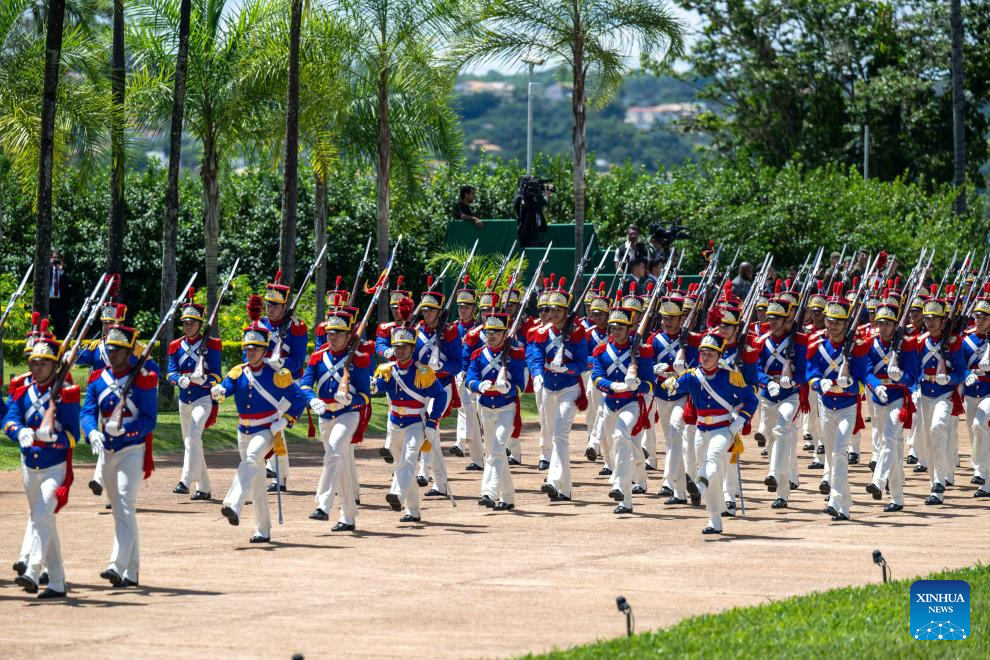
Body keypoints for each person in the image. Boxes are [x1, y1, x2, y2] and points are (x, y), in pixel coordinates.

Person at [214, 321, 308, 542]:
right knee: (256, 483)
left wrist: (284, 421)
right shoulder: (238, 372)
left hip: (266, 429)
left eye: (255, 348)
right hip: (243, 430)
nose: (250, 351)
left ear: (264, 350)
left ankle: (233, 504)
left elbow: (299, 399)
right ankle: (263, 529)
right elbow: (226, 389)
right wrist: (218, 391)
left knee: (250, 460)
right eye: (247, 348)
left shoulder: (277, 374)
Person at [3, 331, 80, 599]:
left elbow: (73, 436)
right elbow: (10, 419)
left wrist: (55, 438)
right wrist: (18, 431)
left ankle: (32, 570)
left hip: (54, 469)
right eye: (34, 362)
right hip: (29, 468)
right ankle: (57, 581)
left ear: (55, 365)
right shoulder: (23, 391)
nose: (37, 367)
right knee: (44, 519)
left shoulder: (66, 394)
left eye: (44, 363)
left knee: (40, 515)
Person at [81, 323, 158, 587]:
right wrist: (92, 432)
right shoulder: (96, 380)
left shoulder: (142, 379)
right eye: (110, 349)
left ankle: (116, 564)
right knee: (122, 513)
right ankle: (133, 571)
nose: (112, 354)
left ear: (128, 352)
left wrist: (125, 430)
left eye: (118, 350)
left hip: (133, 450)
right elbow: (87, 412)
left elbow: (149, 420)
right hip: (108, 452)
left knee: (124, 503)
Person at [661, 333, 757, 534]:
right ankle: (714, 519)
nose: (705, 357)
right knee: (710, 473)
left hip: (724, 428)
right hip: (701, 429)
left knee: (712, 460)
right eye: (703, 353)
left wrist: (741, 419)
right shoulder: (694, 375)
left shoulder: (731, 377)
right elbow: (677, 384)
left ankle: (700, 484)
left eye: (710, 354)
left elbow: (751, 400)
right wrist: (671, 382)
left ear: (719, 355)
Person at [300, 310, 372, 532]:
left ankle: (323, 504)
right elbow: (305, 384)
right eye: (330, 333)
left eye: (339, 333)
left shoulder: (359, 360)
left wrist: (350, 400)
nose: (332, 337)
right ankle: (348, 516)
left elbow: (366, 395)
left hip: (348, 415)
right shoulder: (317, 357)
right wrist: (312, 401)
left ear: (349, 335)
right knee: (338, 463)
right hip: (325, 414)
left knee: (333, 452)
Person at [805, 287, 869, 521]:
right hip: (825, 405)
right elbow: (810, 372)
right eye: (829, 322)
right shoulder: (816, 343)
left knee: (840, 452)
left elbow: (862, 381)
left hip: (847, 406)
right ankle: (845, 505)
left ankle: (834, 499)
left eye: (836, 323)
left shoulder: (857, 347)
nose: (831, 326)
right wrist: (818, 383)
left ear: (845, 324)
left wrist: (847, 385)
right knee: (832, 454)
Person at [373, 326, 448, 523]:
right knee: (401, 465)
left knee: (408, 460)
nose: (400, 350)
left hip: (416, 422)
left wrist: (433, 421)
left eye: (405, 347)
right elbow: (377, 388)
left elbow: (440, 395)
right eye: (397, 347)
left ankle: (396, 494)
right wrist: (371, 385)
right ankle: (413, 511)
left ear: (412, 348)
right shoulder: (387, 370)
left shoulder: (423, 372)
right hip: (395, 422)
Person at [526, 279, 588, 501]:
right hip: (547, 388)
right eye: (549, 309)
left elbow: (583, 362)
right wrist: (537, 375)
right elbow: (533, 354)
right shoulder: (542, 332)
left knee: (560, 435)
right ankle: (566, 489)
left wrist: (566, 368)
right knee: (555, 437)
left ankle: (552, 480)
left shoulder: (578, 332)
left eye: (556, 309)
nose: (551, 313)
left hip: (569, 389)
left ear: (565, 311)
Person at [901, 295, 965, 505]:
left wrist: (949, 377)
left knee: (938, 428)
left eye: (934, 318)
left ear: (943, 321)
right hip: (924, 393)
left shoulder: (953, 342)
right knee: (928, 440)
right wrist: (912, 388)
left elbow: (961, 371)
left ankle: (940, 480)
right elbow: (912, 370)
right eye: (927, 318)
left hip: (944, 393)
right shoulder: (919, 342)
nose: (929, 322)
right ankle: (935, 486)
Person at [590, 306, 654, 514]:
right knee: (623, 446)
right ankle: (640, 473)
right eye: (612, 328)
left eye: (619, 328)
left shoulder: (641, 351)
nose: (615, 332)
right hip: (610, 403)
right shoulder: (600, 351)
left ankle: (622, 493)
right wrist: (613, 386)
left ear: (629, 329)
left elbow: (650, 384)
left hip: (631, 404)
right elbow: (597, 377)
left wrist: (636, 384)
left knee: (621, 435)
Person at [252, 271, 309, 493]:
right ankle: (275, 471)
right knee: (268, 428)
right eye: (268, 304)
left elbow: (297, 358)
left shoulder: (297, 326)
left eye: (275, 305)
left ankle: (280, 475)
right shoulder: (260, 325)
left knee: (277, 429)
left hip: (285, 384)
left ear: (284, 307)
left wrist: (282, 365)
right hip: (263, 384)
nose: (270, 308)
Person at [751, 296, 808, 509]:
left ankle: (773, 473)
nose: (772, 321)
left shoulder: (800, 341)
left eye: (777, 318)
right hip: (768, 394)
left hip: (790, 394)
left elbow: (804, 371)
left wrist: (792, 380)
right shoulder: (762, 340)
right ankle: (781, 493)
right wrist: (767, 382)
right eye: (770, 317)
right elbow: (755, 368)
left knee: (782, 428)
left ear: (787, 319)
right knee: (774, 442)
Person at [465, 312, 526, 511]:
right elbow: (470, 378)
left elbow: (520, 385)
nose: (491, 336)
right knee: (493, 452)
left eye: (496, 332)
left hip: (506, 408)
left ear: (504, 334)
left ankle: (489, 492)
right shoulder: (478, 354)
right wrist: (478, 385)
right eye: (488, 332)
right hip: (485, 408)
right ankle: (507, 497)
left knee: (498, 449)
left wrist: (508, 388)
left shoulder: (515, 354)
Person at [165, 289, 222, 501]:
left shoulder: (212, 344)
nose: (188, 326)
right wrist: (177, 379)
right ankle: (204, 487)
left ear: (199, 324)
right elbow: (170, 371)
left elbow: (217, 375)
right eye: (185, 323)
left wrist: (204, 380)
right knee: (192, 443)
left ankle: (185, 481)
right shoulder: (174, 346)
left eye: (192, 323)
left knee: (194, 437)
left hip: (202, 398)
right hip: (184, 401)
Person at [860, 302, 916, 512]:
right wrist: (875, 386)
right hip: (879, 397)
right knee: (889, 444)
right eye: (879, 323)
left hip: (898, 397)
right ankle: (897, 498)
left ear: (894, 325)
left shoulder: (907, 345)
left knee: (890, 439)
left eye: (887, 324)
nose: (882, 327)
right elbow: (866, 371)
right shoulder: (870, 344)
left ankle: (878, 480)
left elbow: (912, 377)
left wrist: (899, 375)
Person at [411, 280, 462, 496]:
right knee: (430, 432)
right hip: (419, 387)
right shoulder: (416, 332)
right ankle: (439, 483)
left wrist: (441, 365)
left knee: (430, 429)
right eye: (425, 309)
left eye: (432, 310)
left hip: (441, 385)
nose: (428, 313)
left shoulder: (449, 332)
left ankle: (424, 471)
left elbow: (458, 363)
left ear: (439, 311)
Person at [962, 287, 990, 498]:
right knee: (975, 435)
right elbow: (958, 364)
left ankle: (980, 470)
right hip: (971, 392)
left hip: (989, 391)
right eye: (976, 316)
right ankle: (985, 480)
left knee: (979, 425)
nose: (978, 320)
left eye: (983, 317)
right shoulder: (967, 340)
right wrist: (965, 374)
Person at [48, 250, 69, 337]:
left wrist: (61, 270)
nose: (55, 260)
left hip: (60, 301)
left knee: (60, 323)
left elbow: (67, 285)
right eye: (54, 258)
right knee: (50, 322)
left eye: (57, 259)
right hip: (49, 300)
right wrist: (49, 266)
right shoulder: (48, 270)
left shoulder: (63, 271)